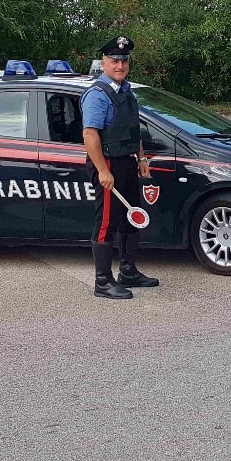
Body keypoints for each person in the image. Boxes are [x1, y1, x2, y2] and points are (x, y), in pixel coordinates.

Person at [81, 36, 159, 299]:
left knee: (130, 217)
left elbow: (131, 129)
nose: (120, 65)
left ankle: (128, 271)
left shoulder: (126, 91)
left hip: (126, 160)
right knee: (105, 222)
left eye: (124, 61)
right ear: (104, 63)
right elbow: (90, 135)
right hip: (108, 162)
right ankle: (102, 282)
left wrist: (141, 158)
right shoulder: (97, 95)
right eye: (114, 61)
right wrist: (103, 171)